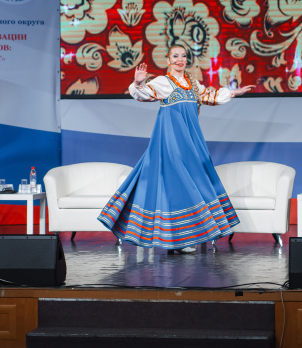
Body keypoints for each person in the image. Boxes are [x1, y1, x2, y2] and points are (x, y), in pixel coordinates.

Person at [98, 44, 254, 252]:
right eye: (175, 56)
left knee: (189, 183)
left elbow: (212, 96)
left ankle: (182, 238)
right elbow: (142, 94)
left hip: (191, 140)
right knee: (176, 181)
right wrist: (138, 82)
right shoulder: (163, 82)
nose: (180, 59)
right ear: (168, 60)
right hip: (170, 139)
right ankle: (175, 238)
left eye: (183, 56)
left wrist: (234, 92)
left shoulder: (193, 84)